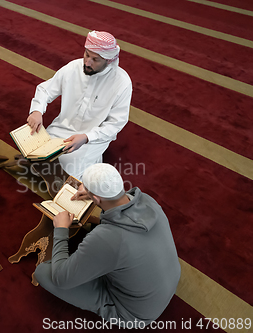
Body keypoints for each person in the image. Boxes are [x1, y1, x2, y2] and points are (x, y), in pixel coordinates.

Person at [34, 163, 181, 327]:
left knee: (44, 272)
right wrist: (94, 194)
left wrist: (61, 230)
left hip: (136, 315)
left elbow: (61, 279)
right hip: (167, 284)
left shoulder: (107, 239)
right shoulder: (148, 200)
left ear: (96, 198)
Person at [27, 31, 132, 180]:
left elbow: (116, 123)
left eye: (95, 59)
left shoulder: (121, 82)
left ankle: (89, 165)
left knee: (65, 174)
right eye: (87, 54)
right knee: (34, 156)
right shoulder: (73, 67)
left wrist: (87, 137)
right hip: (62, 128)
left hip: (92, 138)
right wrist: (37, 111)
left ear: (108, 61)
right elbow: (45, 89)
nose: (87, 62)